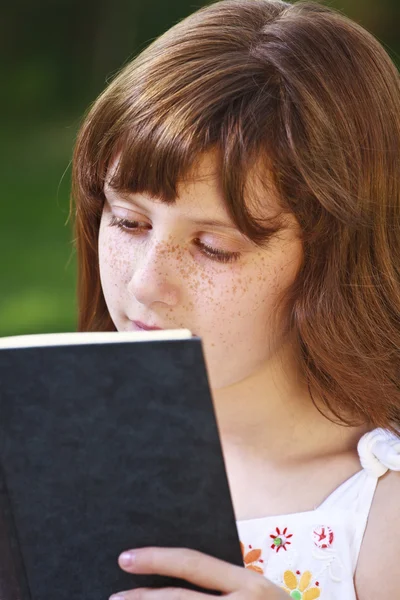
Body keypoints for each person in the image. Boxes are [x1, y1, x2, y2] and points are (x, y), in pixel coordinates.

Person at [70, 0, 400, 597]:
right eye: (128, 222)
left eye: (214, 248)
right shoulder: (50, 451)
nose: (146, 283)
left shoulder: (380, 514)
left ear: (333, 260)